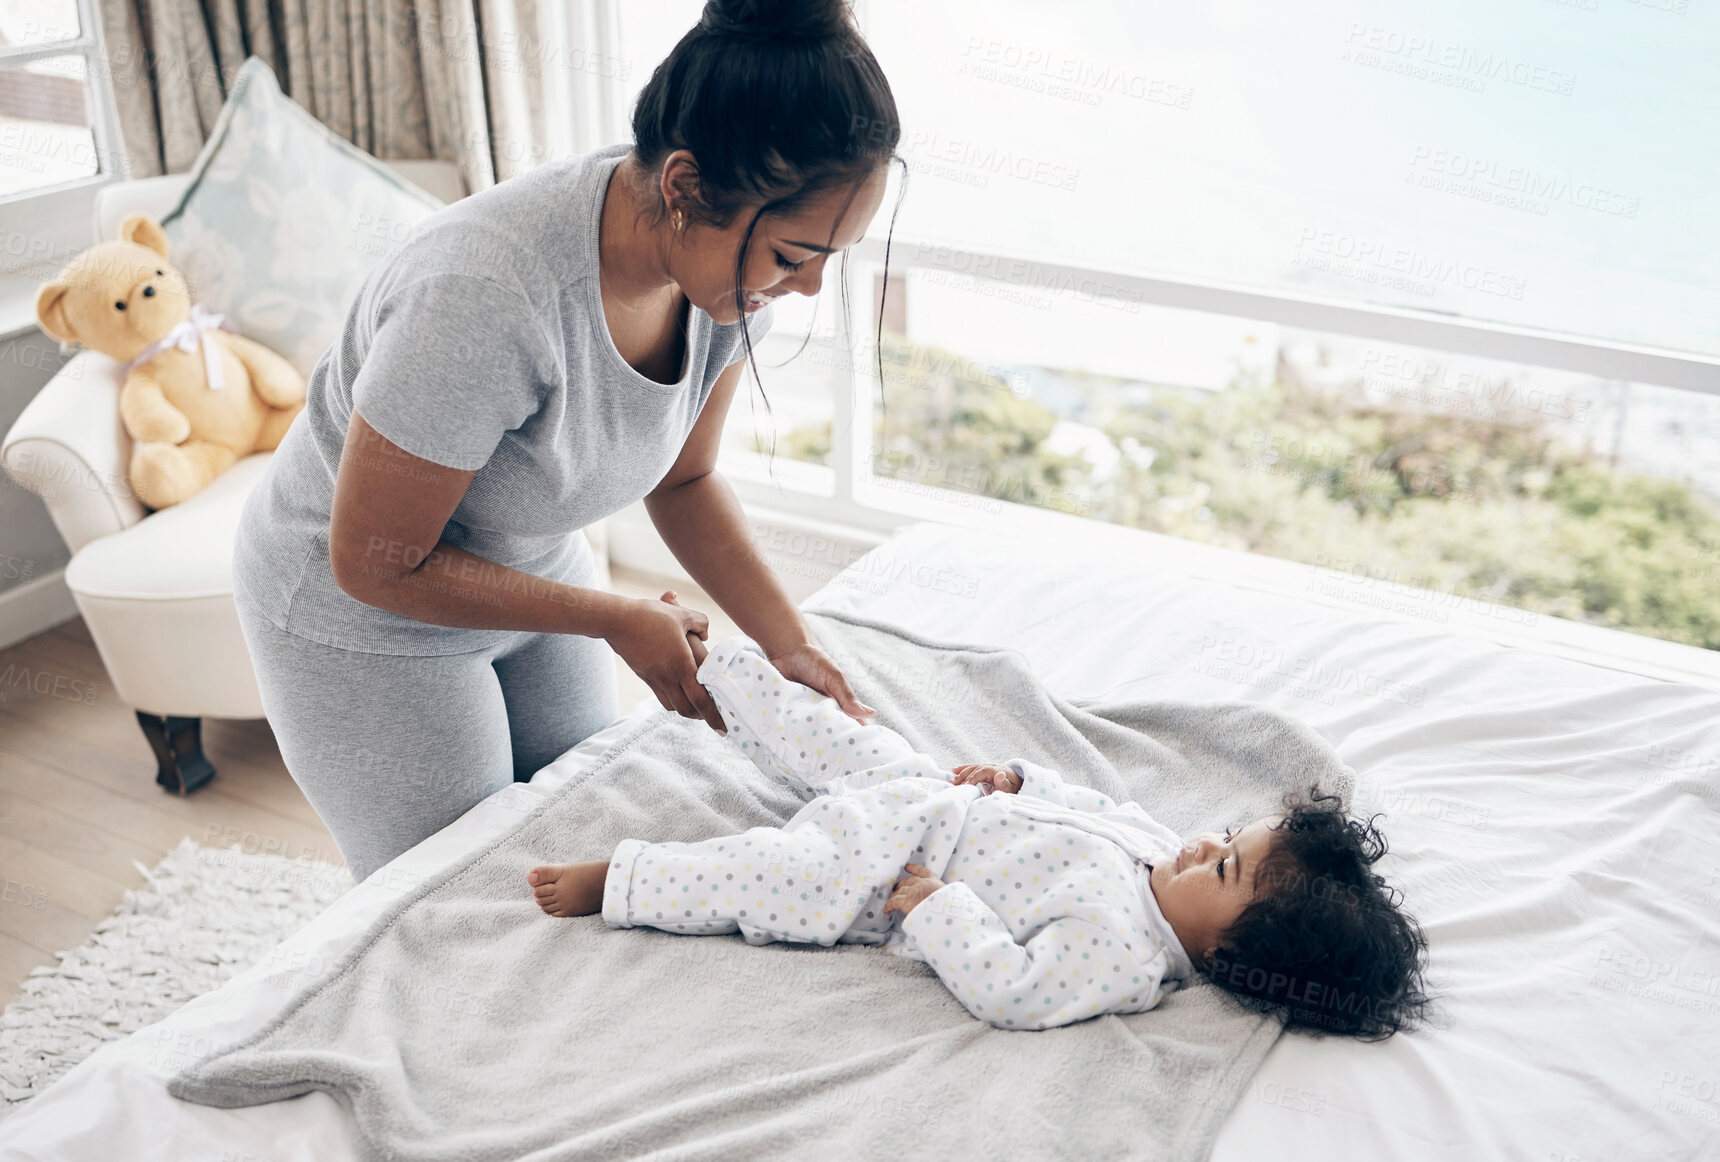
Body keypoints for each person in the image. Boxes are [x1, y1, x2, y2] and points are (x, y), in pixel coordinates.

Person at [230, 0, 905, 881]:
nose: (808, 287)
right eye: (791, 255)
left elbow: (686, 482)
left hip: (526, 558)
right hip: (358, 604)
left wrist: (790, 643)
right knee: (453, 898)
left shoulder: (726, 285)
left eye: (826, 258)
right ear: (684, 188)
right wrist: (614, 618)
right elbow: (376, 558)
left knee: (575, 833)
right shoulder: (485, 293)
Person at [529, 636, 1432, 1038]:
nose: (1203, 845)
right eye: (1227, 833)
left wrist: (936, 907)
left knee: (773, 876)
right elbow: (1089, 803)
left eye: (1225, 865)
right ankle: (713, 671)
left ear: (1232, 951)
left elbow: (1013, 988)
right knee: (830, 729)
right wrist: (1016, 780)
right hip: (919, 790)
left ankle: (624, 881)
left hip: (887, 866)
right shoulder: (1156, 848)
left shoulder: (1122, 955)